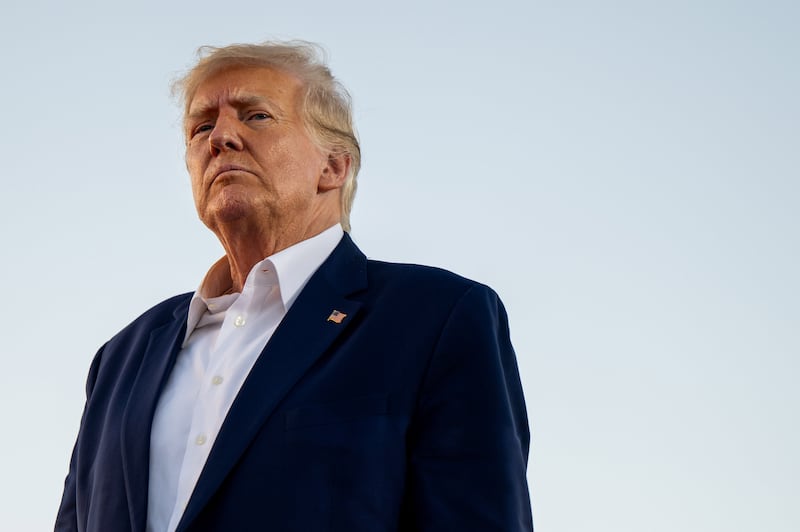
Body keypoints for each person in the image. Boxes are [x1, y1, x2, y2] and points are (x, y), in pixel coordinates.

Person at [55, 40, 533, 532]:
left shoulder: (438, 317)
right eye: (201, 127)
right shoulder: (121, 356)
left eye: (256, 116)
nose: (220, 137)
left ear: (334, 165)